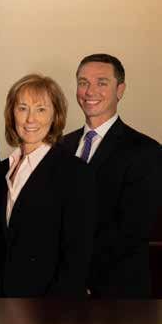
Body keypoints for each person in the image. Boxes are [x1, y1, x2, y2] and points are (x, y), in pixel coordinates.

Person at [60, 54, 161, 298]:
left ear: (120, 90)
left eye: (101, 82)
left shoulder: (146, 151)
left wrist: (78, 272)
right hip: (63, 291)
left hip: (116, 292)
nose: (90, 91)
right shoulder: (61, 146)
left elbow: (133, 229)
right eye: (83, 82)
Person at [0, 74, 95, 297]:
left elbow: (77, 255)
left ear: (55, 116)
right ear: (12, 113)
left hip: (46, 304)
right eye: (22, 108)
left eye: (41, 109)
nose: (30, 119)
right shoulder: (0, 170)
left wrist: (53, 310)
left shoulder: (74, 172)